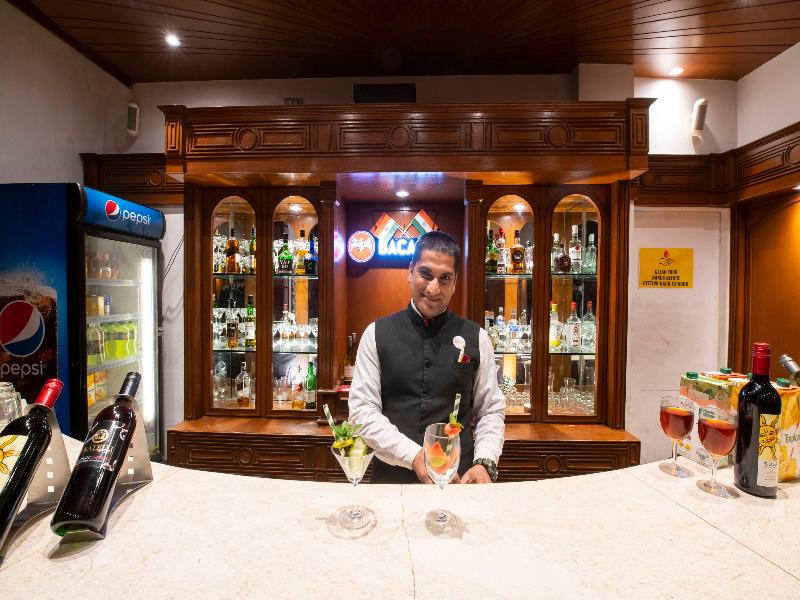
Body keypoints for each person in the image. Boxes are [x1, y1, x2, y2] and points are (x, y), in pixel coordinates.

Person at [348, 231, 505, 484]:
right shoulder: (376, 334)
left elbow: (490, 410)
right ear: (410, 271)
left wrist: (484, 462)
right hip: (391, 482)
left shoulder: (477, 338)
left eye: (445, 278)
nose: (434, 288)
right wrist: (414, 456)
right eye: (425, 274)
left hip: (457, 481)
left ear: (455, 282)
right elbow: (362, 412)